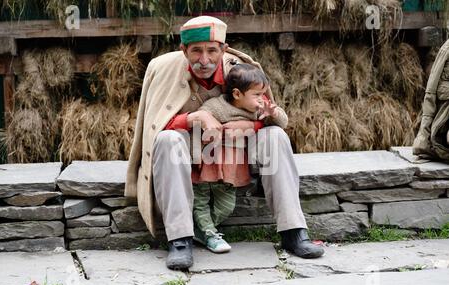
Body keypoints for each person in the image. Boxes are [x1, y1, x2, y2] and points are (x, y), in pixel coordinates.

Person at [125, 15, 324, 270]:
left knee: (276, 137)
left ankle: (293, 232)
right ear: (183, 50)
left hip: (236, 150)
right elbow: (154, 129)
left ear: (223, 49)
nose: (204, 60)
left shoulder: (243, 70)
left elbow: (269, 115)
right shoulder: (162, 70)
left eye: (212, 51)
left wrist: (250, 126)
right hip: (193, 150)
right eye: (196, 51)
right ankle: (180, 240)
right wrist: (195, 117)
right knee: (166, 140)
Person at [192, 63, 288, 254]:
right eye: (257, 94)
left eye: (263, 93)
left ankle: (198, 230)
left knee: (226, 206)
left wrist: (273, 114)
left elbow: (283, 123)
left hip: (231, 169)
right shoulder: (216, 107)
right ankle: (209, 233)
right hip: (207, 164)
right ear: (237, 94)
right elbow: (198, 125)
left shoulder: (258, 110)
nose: (262, 99)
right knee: (199, 201)